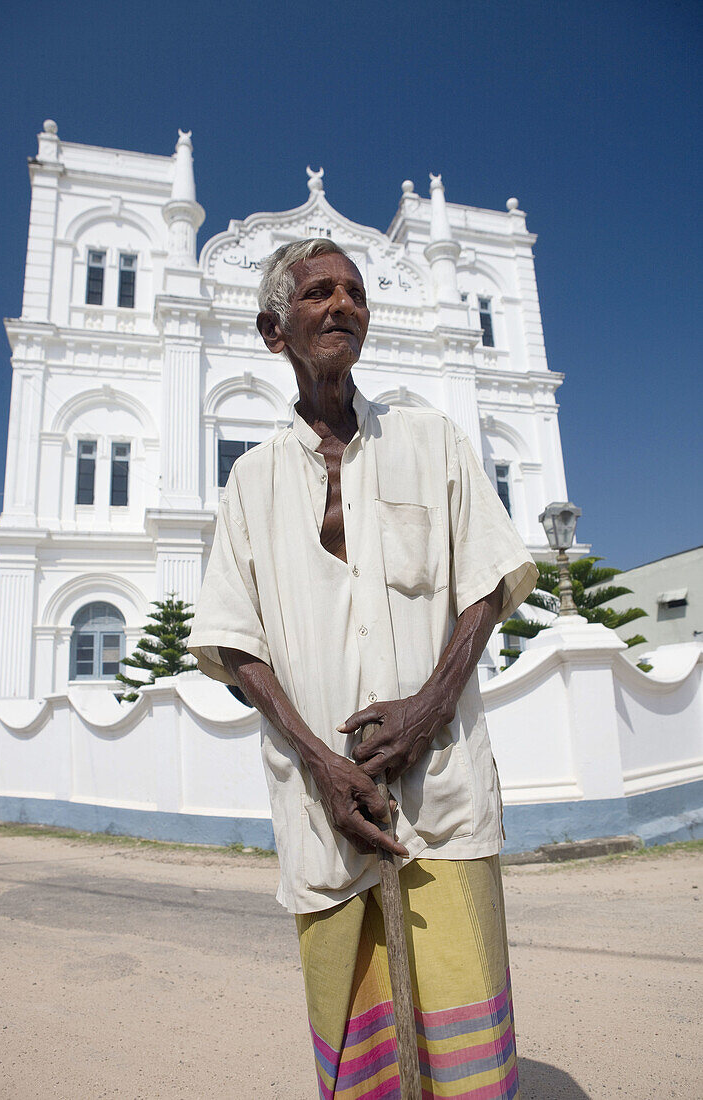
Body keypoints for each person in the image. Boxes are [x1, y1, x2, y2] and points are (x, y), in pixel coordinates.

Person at [188, 238, 538, 1099]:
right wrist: (323, 762)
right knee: (362, 1062)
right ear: (274, 331)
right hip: (324, 811)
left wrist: (427, 707)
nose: (342, 304)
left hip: (442, 794)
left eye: (354, 292)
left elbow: (487, 581)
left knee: (468, 1055)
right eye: (318, 293)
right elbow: (236, 644)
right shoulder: (251, 482)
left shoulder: (433, 441)